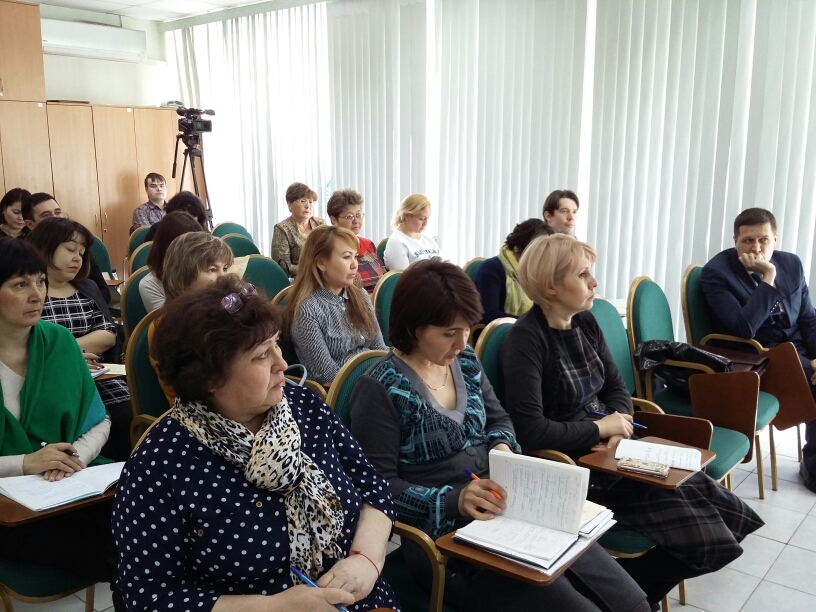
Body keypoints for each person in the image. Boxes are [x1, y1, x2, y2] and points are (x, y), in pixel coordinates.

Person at [348, 258, 650, 612]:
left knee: (631, 601)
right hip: (446, 542)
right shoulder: (381, 388)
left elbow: (499, 419)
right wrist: (454, 500)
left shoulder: (464, 361)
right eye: (449, 333)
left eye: (467, 330)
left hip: (506, 510)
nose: (461, 342)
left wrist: (503, 446)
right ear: (413, 328)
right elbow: (379, 490)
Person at [501, 234, 764, 608]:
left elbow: (616, 387)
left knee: (731, 517)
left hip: (616, 450)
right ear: (550, 287)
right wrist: (600, 429)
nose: (594, 282)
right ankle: (633, 598)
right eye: (583, 274)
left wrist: (618, 423)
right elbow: (530, 431)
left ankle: (630, 593)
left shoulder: (586, 322)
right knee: (710, 543)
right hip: (577, 468)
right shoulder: (526, 339)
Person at [114, 274, 399, 611]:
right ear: (210, 378)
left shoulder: (304, 407)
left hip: (363, 599)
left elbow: (373, 487)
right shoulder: (160, 463)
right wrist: (275, 607)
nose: (282, 364)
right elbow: (147, 594)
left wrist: (366, 560)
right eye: (262, 355)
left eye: (276, 344)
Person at [0, 237, 121, 596]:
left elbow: (99, 420)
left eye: (40, 282)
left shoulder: (59, 342)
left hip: (68, 487)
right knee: (120, 553)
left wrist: (74, 456)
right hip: (11, 508)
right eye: (20, 285)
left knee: (150, 525)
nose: (37, 295)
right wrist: (26, 463)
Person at [701, 207, 816, 492]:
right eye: (747, 241)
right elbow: (744, 328)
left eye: (763, 240)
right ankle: (814, 468)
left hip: (795, 348)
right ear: (735, 241)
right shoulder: (717, 273)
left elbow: (808, 319)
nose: (756, 248)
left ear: (775, 239)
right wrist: (768, 276)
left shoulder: (792, 264)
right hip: (757, 356)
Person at [27, 218, 132, 462]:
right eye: (70, 250)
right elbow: (26, 342)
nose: (78, 258)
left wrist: (65, 350)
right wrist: (69, 356)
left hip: (98, 377)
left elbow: (107, 333)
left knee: (127, 411)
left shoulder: (86, 288)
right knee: (91, 427)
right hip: (50, 380)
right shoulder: (31, 294)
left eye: (82, 253)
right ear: (45, 246)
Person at [283, 225, 386, 386]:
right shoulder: (307, 309)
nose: (354, 265)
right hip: (342, 392)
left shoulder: (360, 294)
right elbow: (328, 377)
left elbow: (380, 349)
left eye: (355, 257)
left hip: (376, 381)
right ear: (321, 263)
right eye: (346, 257)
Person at [148, 232, 234, 404]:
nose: (223, 277)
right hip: (202, 413)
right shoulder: (167, 327)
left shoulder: (227, 311)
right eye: (212, 270)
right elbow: (200, 393)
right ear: (183, 277)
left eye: (225, 268)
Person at [22, 192, 111, 304]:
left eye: (58, 212)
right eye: (46, 215)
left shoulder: (79, 251)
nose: (56, 218)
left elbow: (103, 292)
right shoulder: (22, 256)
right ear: (30, 224)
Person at [474, 218, 554, 324]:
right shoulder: (491, 269)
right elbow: (489, 315)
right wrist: (531, 323)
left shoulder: (539, 273)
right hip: (503, 331)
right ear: (517, 247)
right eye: (538, 251)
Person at [139, 211, 204, 311]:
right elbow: (172, 319)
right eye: (190, 247)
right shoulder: (150, 284)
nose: (197, 253)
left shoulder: (207, 272)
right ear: (169, 247)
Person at [327, 188, 386, 293]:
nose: (356, 221)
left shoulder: (368, 244)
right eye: (350, 217)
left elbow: (384, 278)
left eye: (358, 215)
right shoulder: (330, 248)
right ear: (334, 220)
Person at [272, 182, 326, 277]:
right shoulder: (282, 229)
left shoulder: (320, 224)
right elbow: (283, 267)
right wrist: (313, 269)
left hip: (324, 276)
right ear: (289, 205)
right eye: (302, 201)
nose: (308, 206)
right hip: (299, 279)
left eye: (311, 202)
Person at [383, 194, 442, 270]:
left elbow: (445, 264)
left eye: (427, 218)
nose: (425, 224)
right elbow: (404, 276)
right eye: (421, 219)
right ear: (407, 216)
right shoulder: (397, 242)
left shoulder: (428, 239)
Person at [143, 190, 209, 242]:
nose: (191, 225)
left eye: (193, 219)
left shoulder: (204, 232)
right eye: (185, 220)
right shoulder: (158, 229)